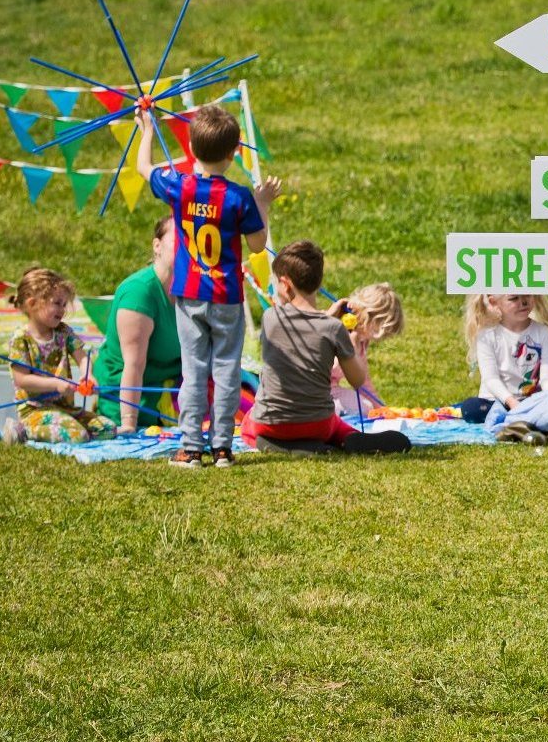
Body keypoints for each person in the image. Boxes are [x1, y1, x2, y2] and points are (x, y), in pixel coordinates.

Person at [135, 104, 279, 469]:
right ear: (233, 155)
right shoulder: (239, 197)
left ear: (190, 147)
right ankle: (222, 448)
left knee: (194, 369)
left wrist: (147, 129)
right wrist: (262, 204)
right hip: (227, 296)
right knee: (227, 369)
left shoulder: (178, 186)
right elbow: (258, 245)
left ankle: (191, 447)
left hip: (189, 294)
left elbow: (142, 169)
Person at [245, 241, 410, 456]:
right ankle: (348, 439)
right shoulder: (333, 329)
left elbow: (299, 328)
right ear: (318, 280)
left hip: (273, 423)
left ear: (285, 284)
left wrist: (327, 316)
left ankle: (274, 444)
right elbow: (358, 381)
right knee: (337, 427)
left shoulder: (270, 318)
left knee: (250, 423)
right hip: (318, 425)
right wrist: (334, 325)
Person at [0, 268, 114, 446]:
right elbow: (22, 379)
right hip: (35, 410)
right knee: (77, 436)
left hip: (65, 408)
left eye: (64, 304)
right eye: (57, 303)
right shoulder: (21, 339)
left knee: (107, 429)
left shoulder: (63, 332)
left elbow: (82, 357)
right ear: (32, 303)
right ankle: (23, 429)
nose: (63, 309)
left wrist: (87, 375)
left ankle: (67, 426)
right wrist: (56, 384)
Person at [94, 217, 183, 433]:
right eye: (179, 239)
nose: (186, 247)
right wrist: (128, 423)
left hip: (175, 386)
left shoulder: (192, 288)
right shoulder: (139, 293)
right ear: (157, 246)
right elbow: (133, 365)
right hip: (133, 396)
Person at [455, 293, 548, 423]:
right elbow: (491, 379)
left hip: (530, 400)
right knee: (471, 408)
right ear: (494, 302)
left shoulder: (544, 332)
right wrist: (512, 403)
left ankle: (517, 418)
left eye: (527, 295)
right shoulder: (486, 335)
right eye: (514, 298)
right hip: (495, 401)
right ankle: (521, 417)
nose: (523, 302)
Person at [329, 283, 404, 414]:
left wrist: (382, 409)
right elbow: (325, 366)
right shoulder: (338, 330)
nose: (382, 338)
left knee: (367, 407)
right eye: (382, 330)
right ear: (370, 317)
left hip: (331, 389)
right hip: (310, 390)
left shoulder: (361, 342)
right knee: (362, 408)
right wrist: (350, 350)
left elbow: (363, 383)